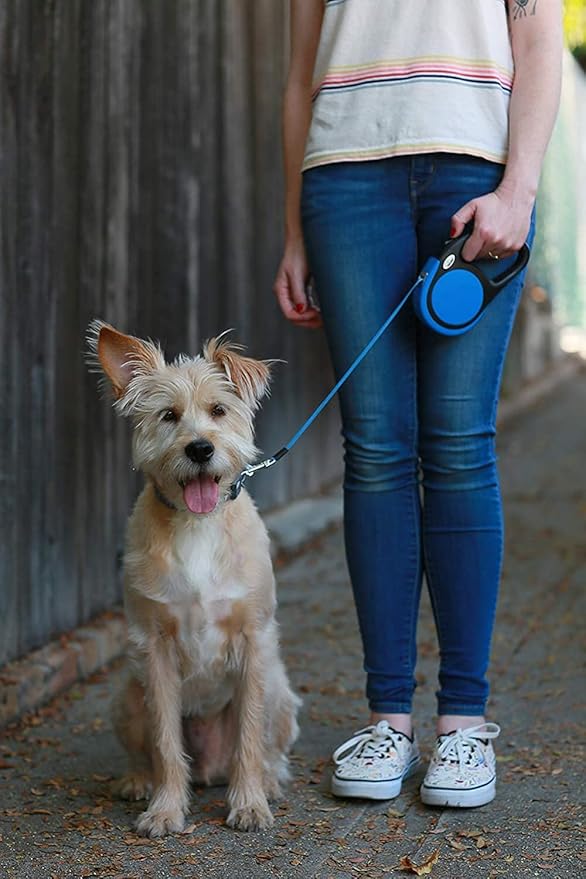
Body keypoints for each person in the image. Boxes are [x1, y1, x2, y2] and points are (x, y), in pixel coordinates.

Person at [274, 0, 562, 807]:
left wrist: (519, 190)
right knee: (374, 449)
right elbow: (300, 75)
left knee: (460, 445)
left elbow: (539, 35)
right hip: (344, 177)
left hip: (475, 169)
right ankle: (388, 721)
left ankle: (464, 724)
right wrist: (293, 231)